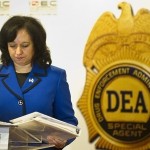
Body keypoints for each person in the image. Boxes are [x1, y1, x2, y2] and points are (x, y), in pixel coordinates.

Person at [0, 15, 78, 150]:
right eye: (12, 46)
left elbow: (68, 122)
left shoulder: (56, 77)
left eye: (25, 45)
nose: (18, 52)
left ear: (37, 45)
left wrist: (63, 139)